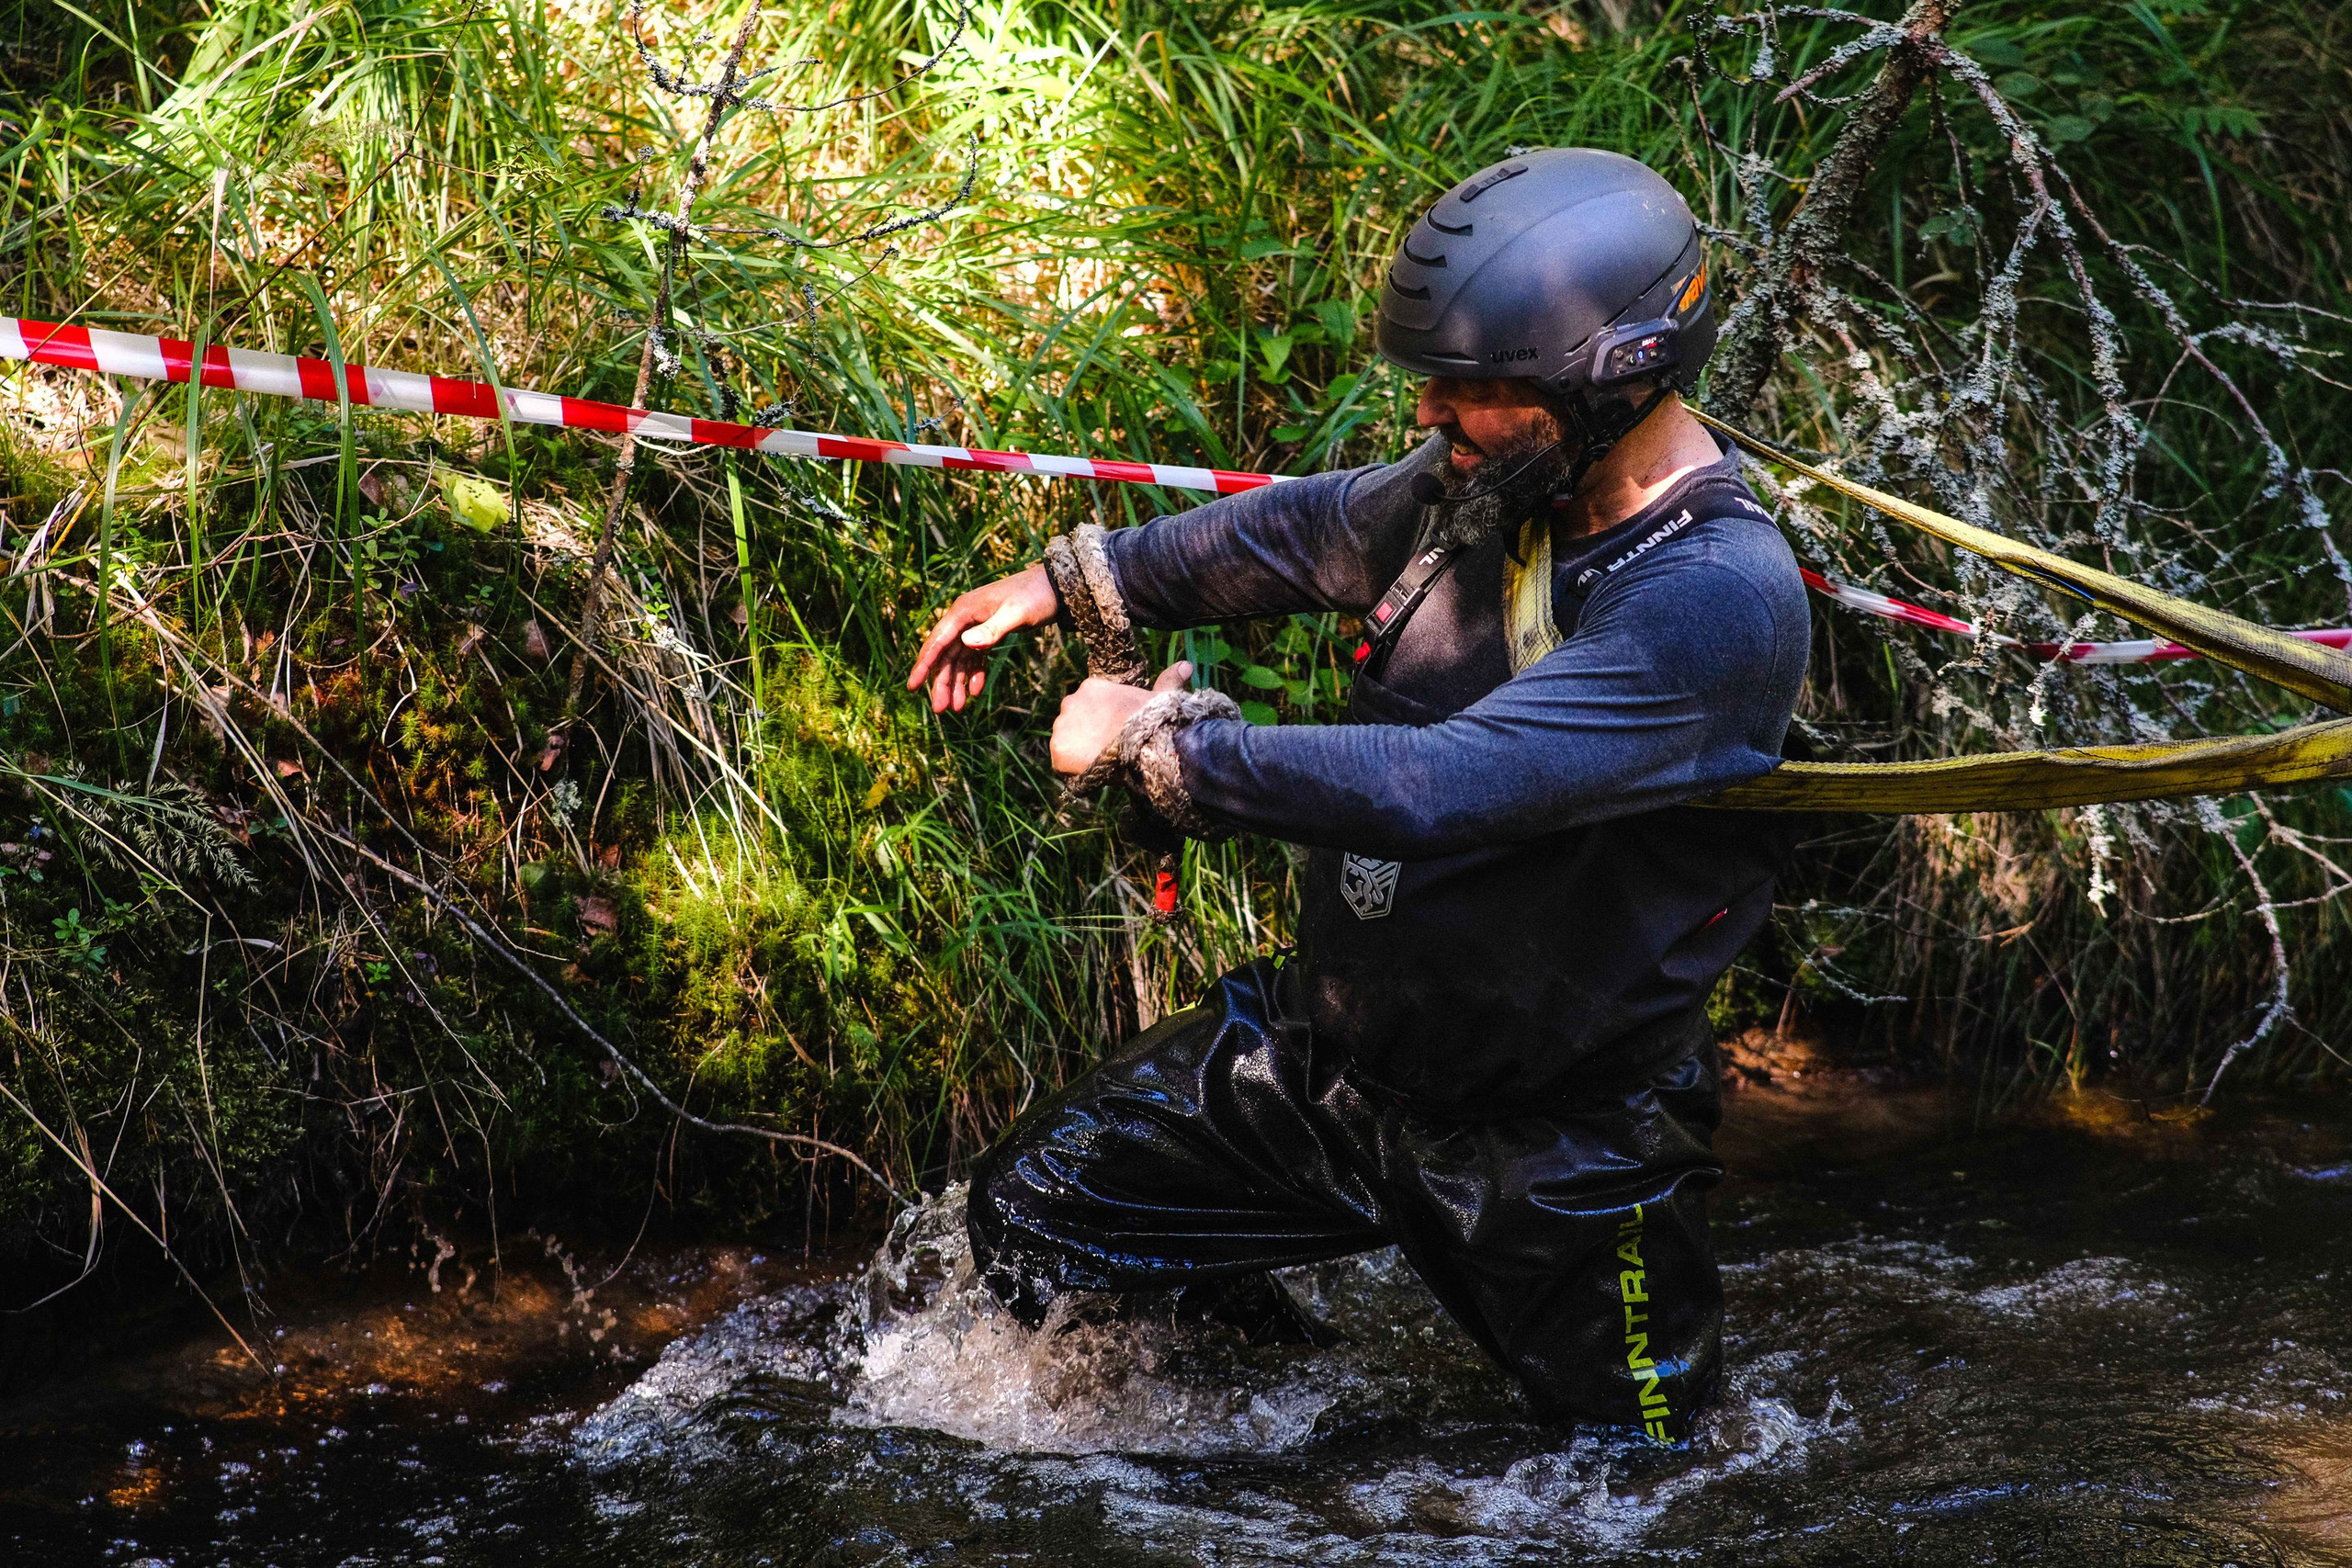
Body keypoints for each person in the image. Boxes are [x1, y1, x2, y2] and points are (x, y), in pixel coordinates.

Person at [903, 147, 1810, 1441]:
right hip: (1336, 1067)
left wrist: (1163, 746)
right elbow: (1310, 530)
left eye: (1472, 386)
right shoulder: (1497, 483)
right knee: (1046, 1209)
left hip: (1559, 1143)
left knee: (1641, 1480)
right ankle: (1274, 1434)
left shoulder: (1713, 598)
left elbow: (1451, 782)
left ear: (1611, 377)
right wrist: (1076, 582)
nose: (1431, 411)